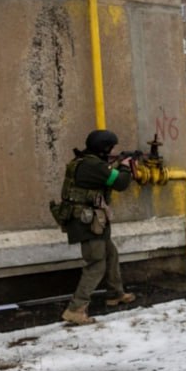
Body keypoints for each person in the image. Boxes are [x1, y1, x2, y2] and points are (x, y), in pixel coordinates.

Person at [59, 128, 137, 325]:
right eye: (110, 147)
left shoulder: (85, 162)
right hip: (87, 222)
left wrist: (118, 164)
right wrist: (126, 167)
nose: (111, 151)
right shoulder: (93, 165)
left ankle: (115, 294)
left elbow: (104, 175)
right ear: (103, 148)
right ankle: (76, 309)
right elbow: (119, 182)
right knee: (96, 264)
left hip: (89, 220)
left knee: (110, 254)